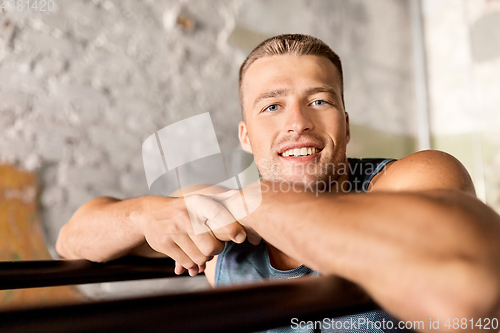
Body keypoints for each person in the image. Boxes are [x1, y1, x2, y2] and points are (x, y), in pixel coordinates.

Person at [56, 34, 500, 332]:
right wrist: (148, 213)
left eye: (319, 100)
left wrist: (265, 201)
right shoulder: (220, 219)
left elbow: (467, 290)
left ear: (344, 125)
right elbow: (73, 241)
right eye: (271, 107)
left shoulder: (413, 177)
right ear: (245, 135)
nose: (298, 123)